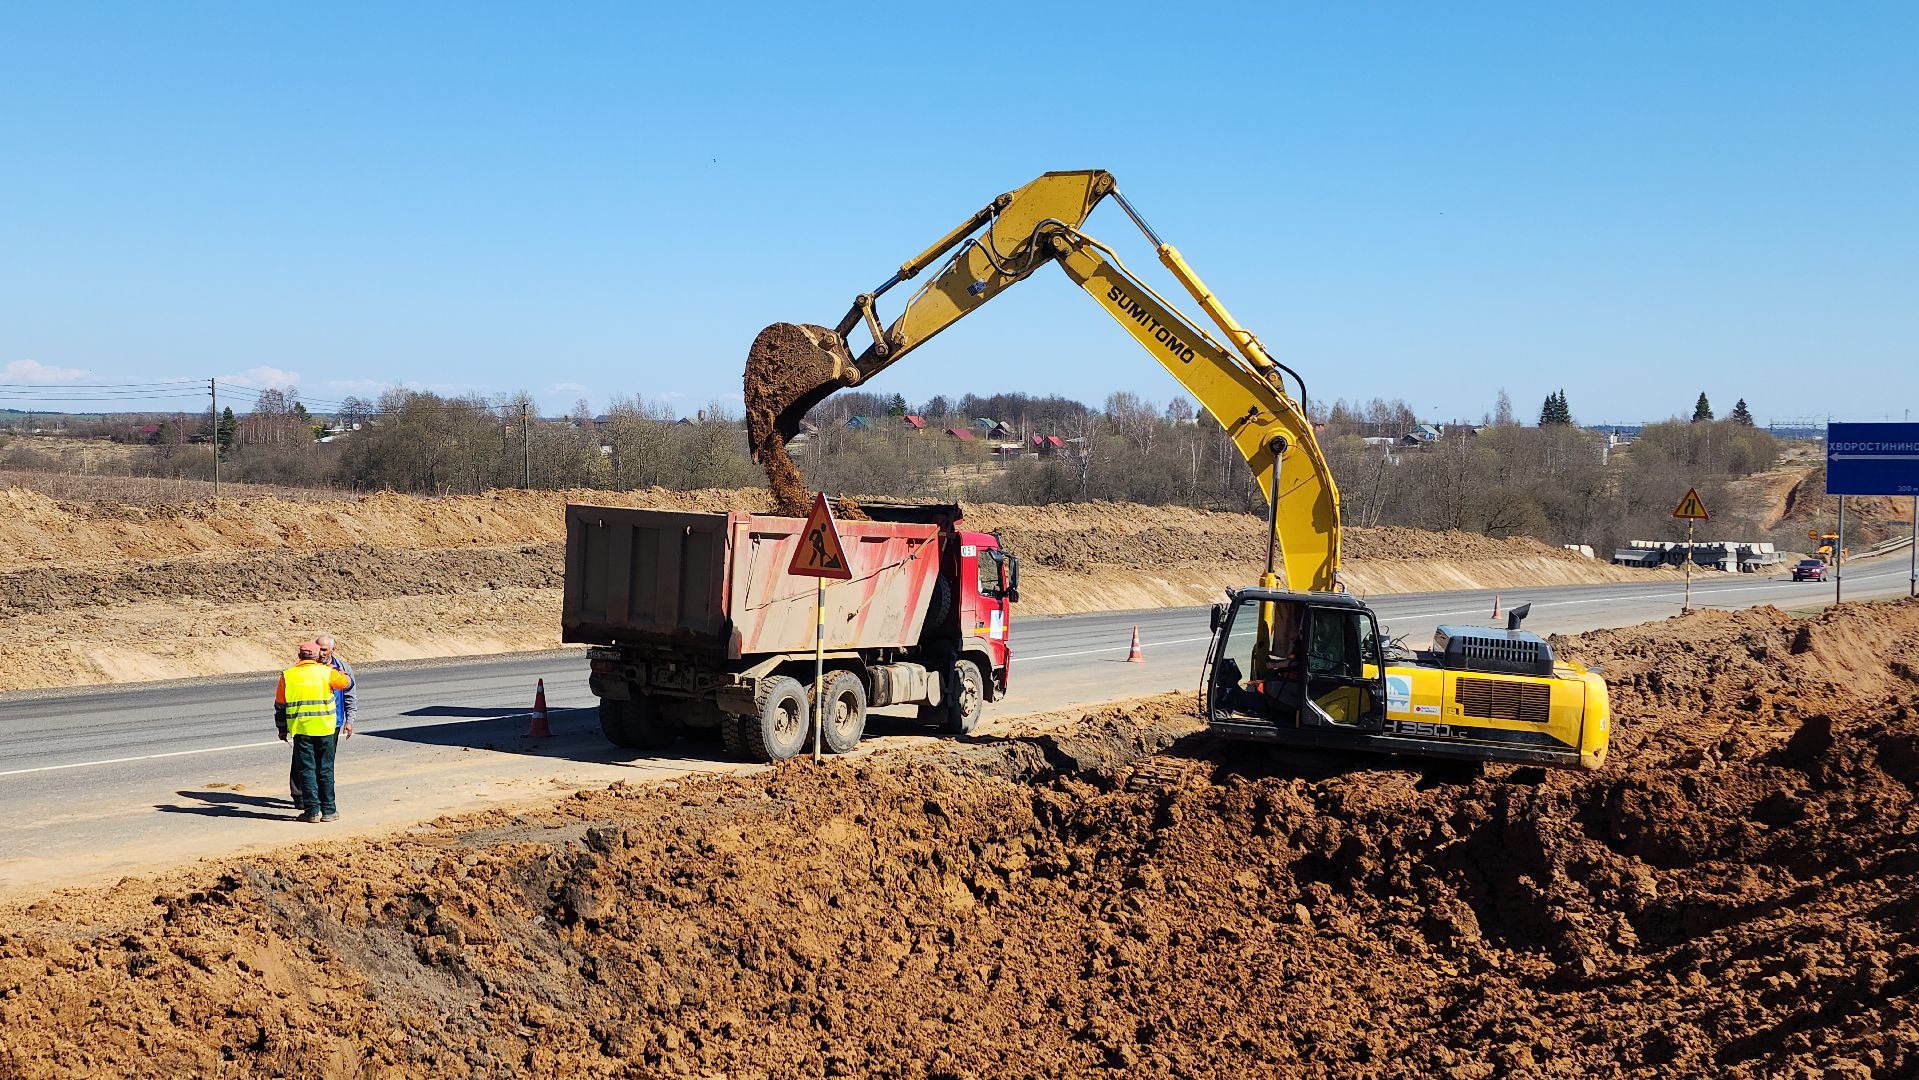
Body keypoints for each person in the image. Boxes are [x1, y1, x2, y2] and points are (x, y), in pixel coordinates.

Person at [276, 640, 354, 823]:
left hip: (302, 729)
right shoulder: (327, 673)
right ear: (318, 655)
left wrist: (282, 729)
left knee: (307, 770)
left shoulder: (288, 676)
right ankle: (329, 810)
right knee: (325, 769)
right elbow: (347, 684)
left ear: (299, 656)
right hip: (326, 728)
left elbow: (280, 706)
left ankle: (312, 812)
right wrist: (339, 673)